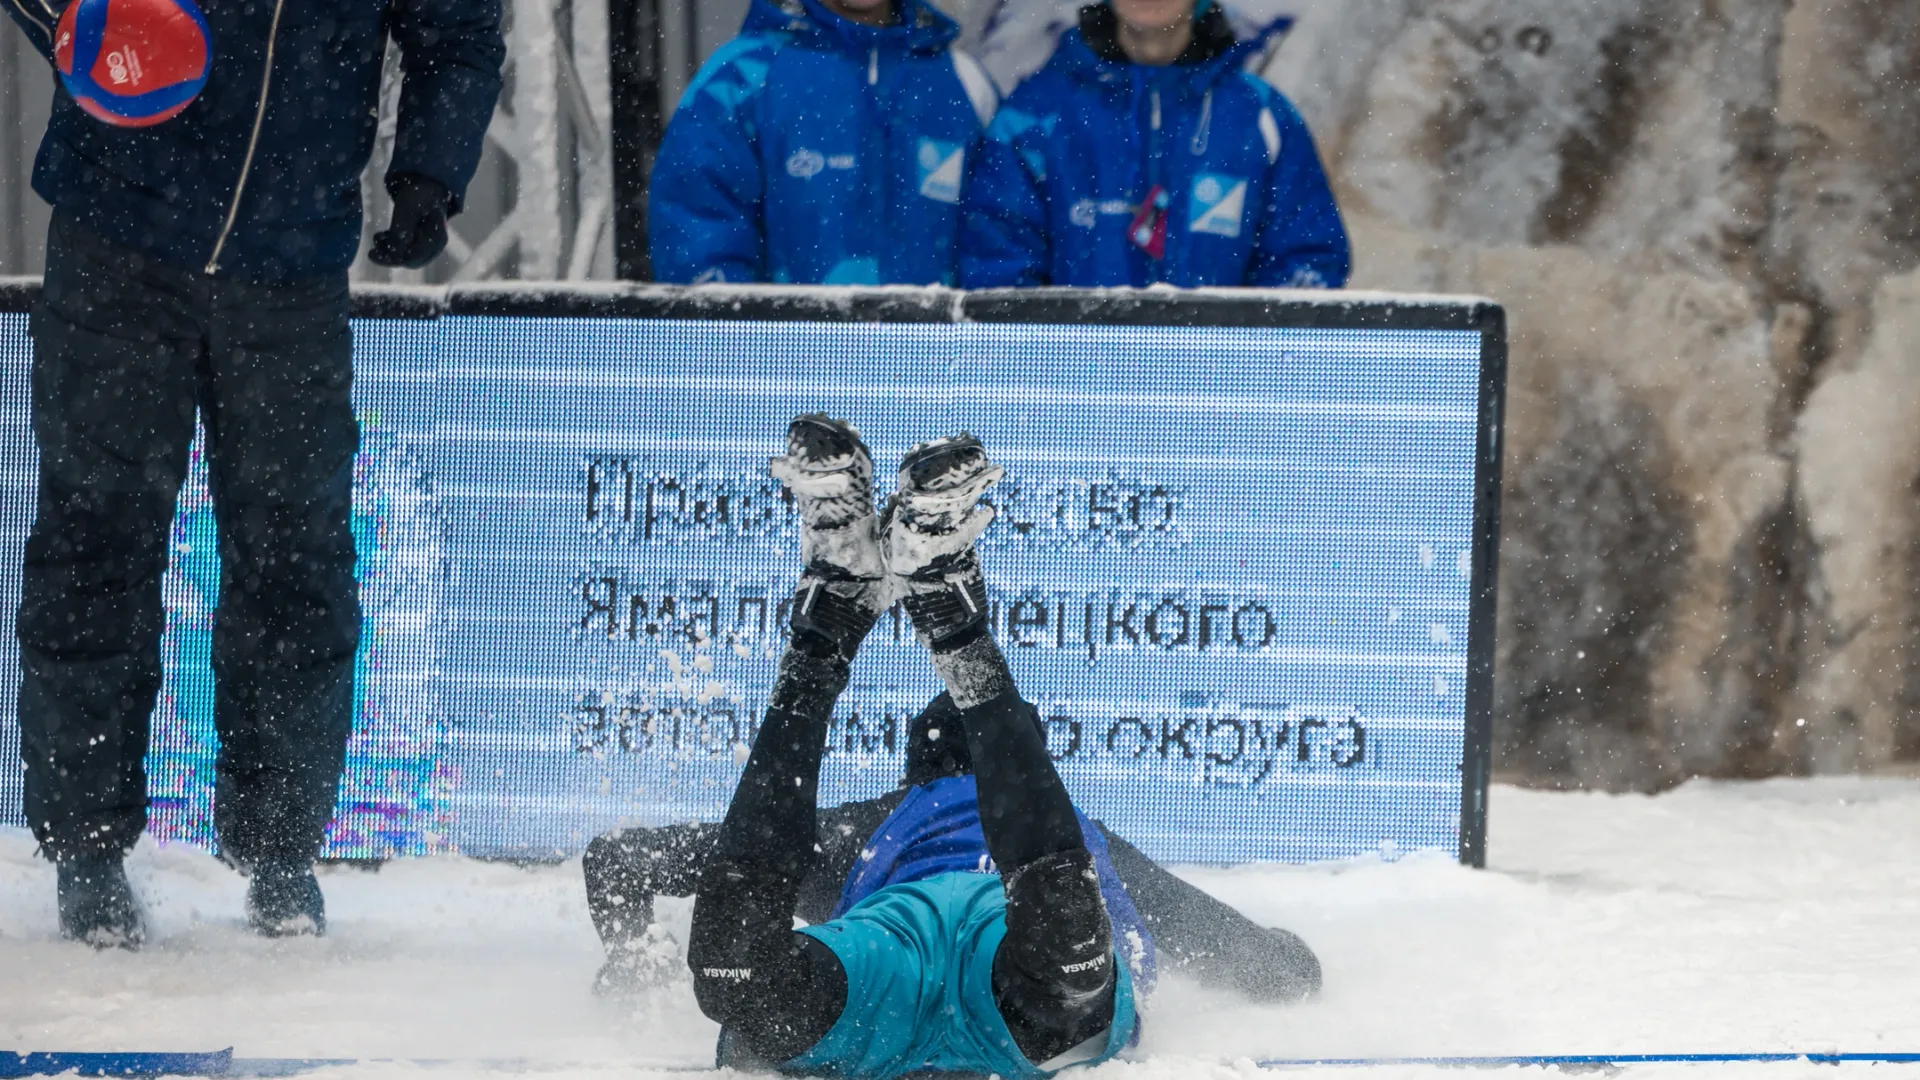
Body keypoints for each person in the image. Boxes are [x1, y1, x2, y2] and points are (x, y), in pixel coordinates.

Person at [3, 0, 504, 947]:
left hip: (292, 259)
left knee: (297, 557)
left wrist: (432, 172)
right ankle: (85, 850)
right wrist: (87, 27)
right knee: (95, 541)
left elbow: (459, 33)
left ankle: (282, 851)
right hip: (117, 233)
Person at [619, 416, 1318, 1076]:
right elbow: (1274, 968)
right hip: (994, 987)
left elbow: (630, 862)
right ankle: (946, 625)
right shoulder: (1076, 841)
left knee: (736, 971)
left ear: (916, 771)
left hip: (887, 971)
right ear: (1032, 779)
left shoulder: (867, 828)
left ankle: (830, 632)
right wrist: (1289, 965)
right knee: (1071, 951)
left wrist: (628, 961)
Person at [958, 0, 1350, 289]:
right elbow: (997, 277)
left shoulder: (1260, 117)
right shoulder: (1034, 117)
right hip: (1078, 393)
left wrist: (1238, 368)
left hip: (1215, 392)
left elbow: (1306, 267)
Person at [647, 0, 999, 285]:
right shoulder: (740, 81)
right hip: (788, 369)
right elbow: (698, 251)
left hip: (937, 368)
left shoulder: (964, 84)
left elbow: (1002, 251)